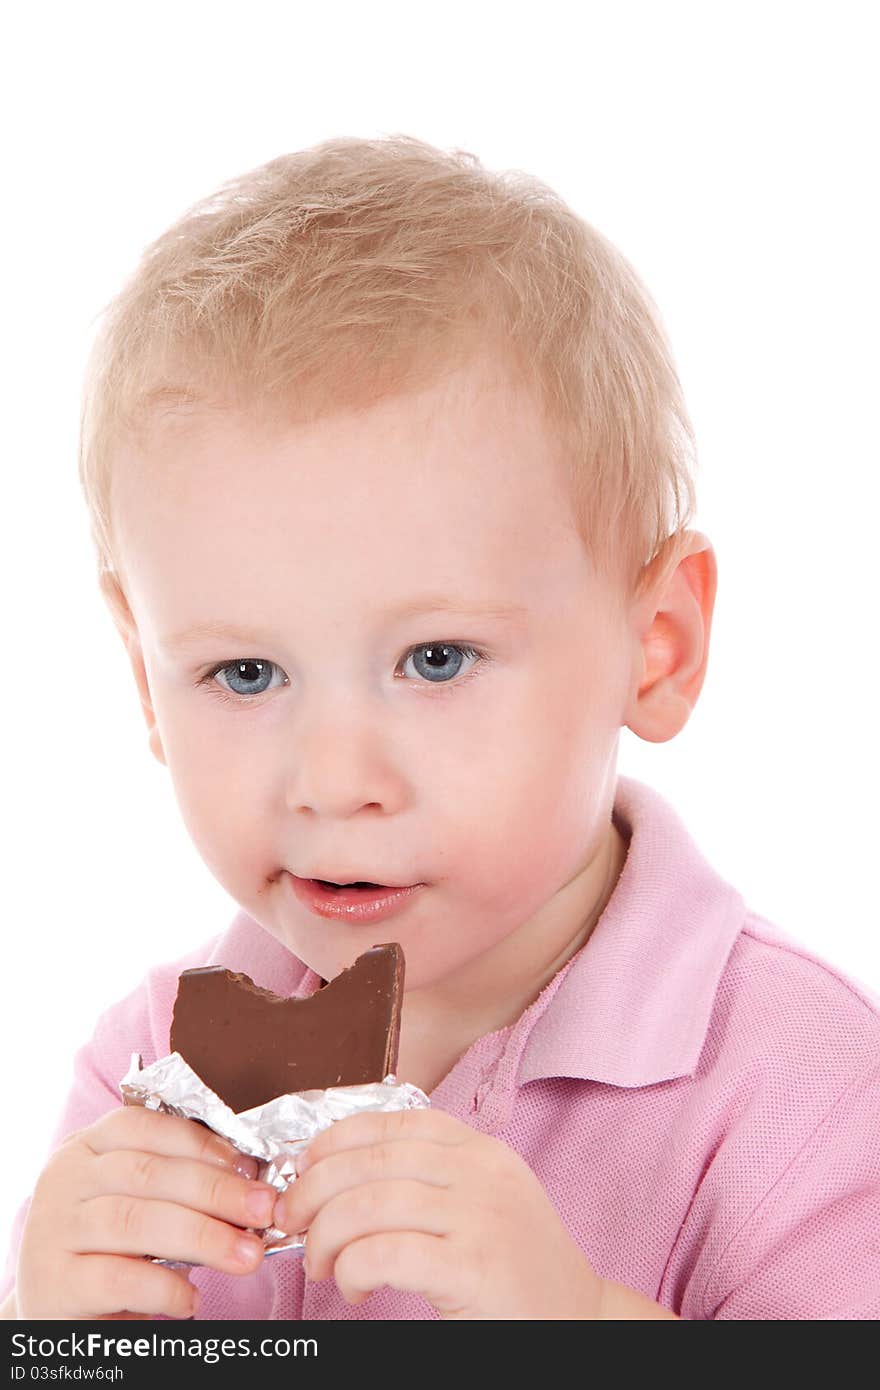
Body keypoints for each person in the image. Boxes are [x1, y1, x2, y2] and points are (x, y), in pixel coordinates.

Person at [3, 135, 879, 1321]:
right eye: (245, 672)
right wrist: (66, 1337)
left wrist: (582, 1324)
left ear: (655, 644)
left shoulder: (798, 1081)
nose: (333, 780)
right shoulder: (151, 1074)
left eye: (435, 659)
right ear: (147, 683)